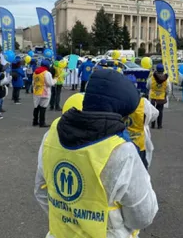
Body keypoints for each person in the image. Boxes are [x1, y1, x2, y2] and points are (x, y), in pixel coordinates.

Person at [34, 69, 158, 238]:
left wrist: (68, 218)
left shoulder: (51, 135)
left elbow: (41, 191)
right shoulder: (121, 150)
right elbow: (142, 215)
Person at [146, 64, 171, 129]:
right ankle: (159, 125)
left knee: (153, 111)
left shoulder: (152, 77)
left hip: (153, 97)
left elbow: (148, 86)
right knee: (160, 111)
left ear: (156, 69)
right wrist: (166, 94)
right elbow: (168, 89)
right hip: (161, 97)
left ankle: (153, 125)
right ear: (163, 70)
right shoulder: (166, 79)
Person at [32, 59, 56, 127]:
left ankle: (35, 121)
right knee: (43, 107)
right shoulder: (46, 73)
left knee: (36, 106)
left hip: (36, 91)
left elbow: (33, 82)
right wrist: (55, 80)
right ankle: (42, 123)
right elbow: (50, 83)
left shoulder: (35, 72)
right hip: (44, 91)